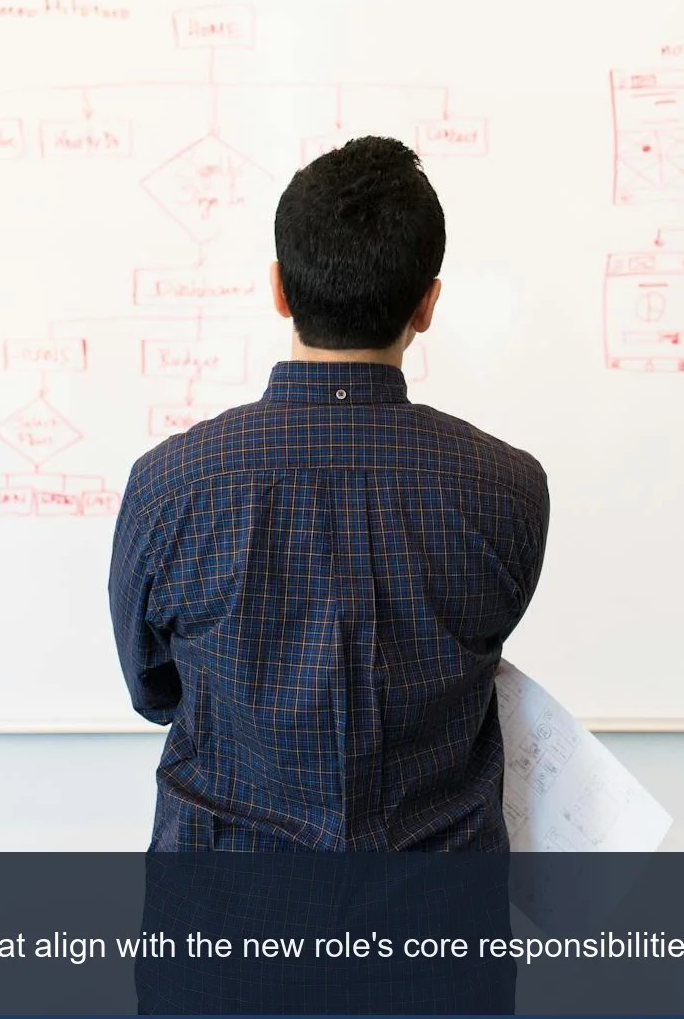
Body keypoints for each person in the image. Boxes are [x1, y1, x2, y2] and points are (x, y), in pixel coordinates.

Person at [109, 134, 551, 852]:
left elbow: (154, 691)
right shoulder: (507, 489)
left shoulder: (169, 485)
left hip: (225, 922)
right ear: (428, 304)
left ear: (279, 288)